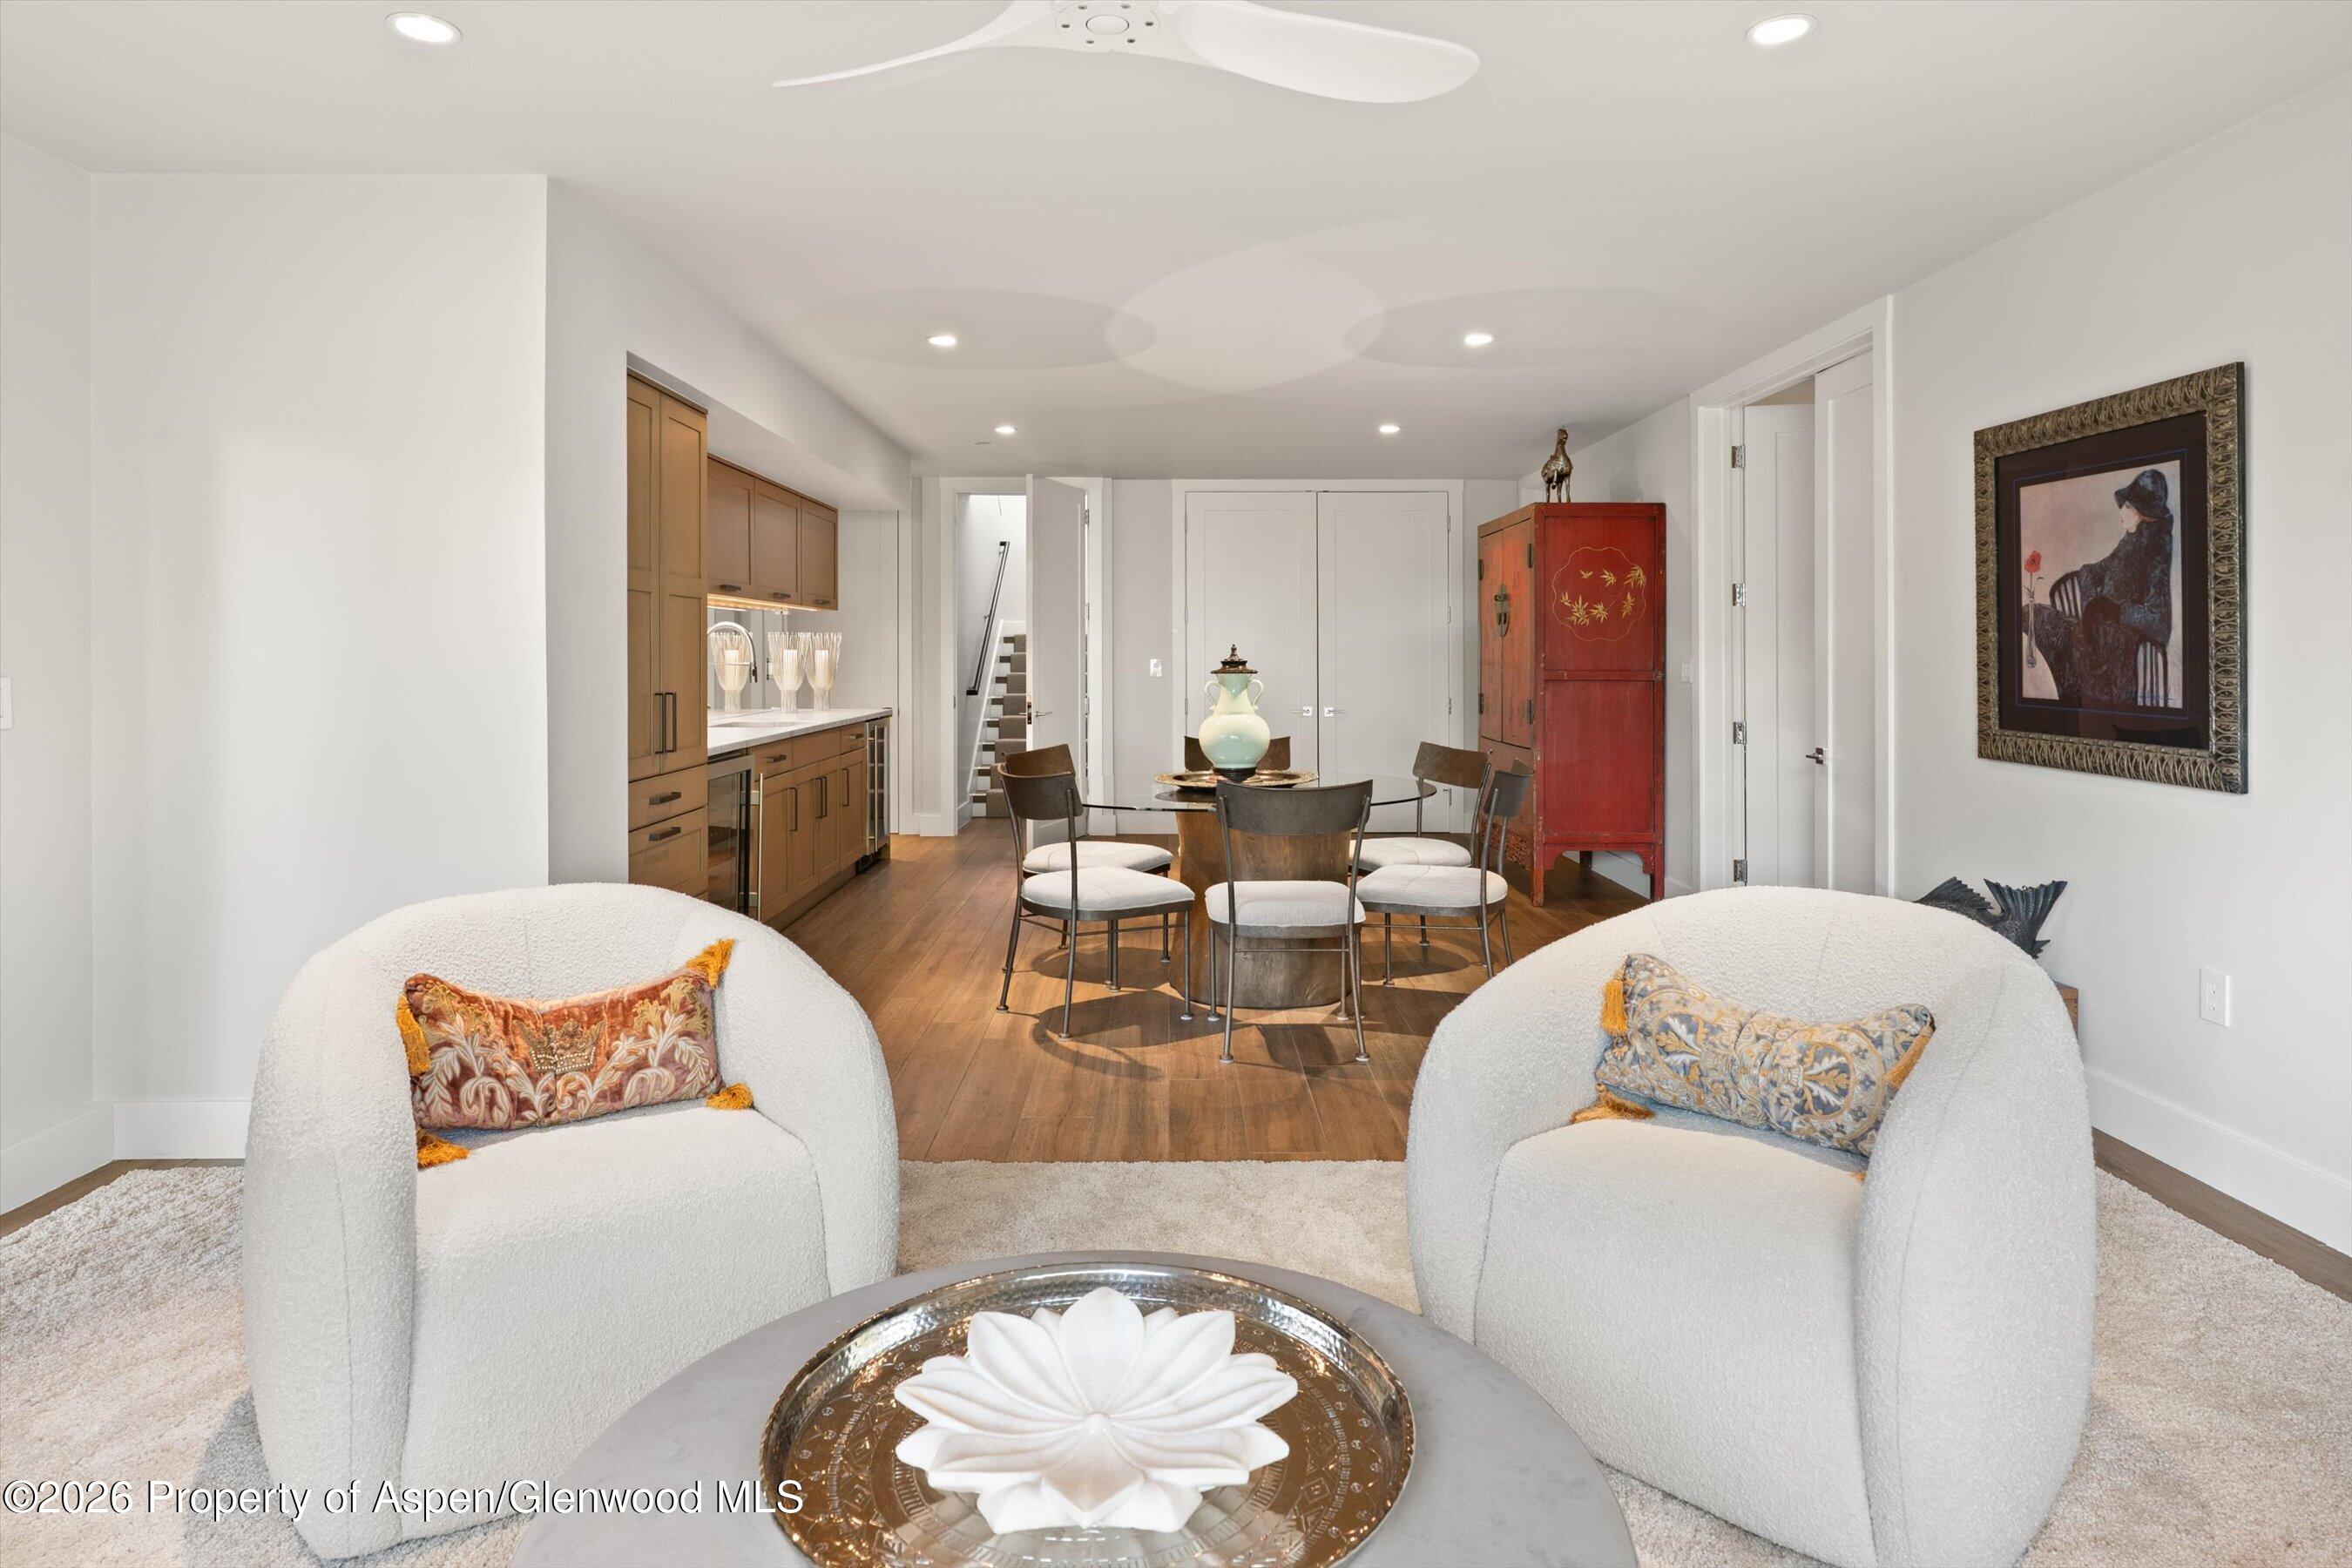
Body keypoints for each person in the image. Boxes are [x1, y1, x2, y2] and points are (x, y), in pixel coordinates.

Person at [2028, 468, 2174, 709]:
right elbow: (2093, 570)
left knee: (2048, 628)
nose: (2121, 511)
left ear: (2143, 514)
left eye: (2128, 506)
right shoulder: (2131, 540)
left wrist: (2113, 611)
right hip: (2098, 631)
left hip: (2116, 641)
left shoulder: (2154, 551)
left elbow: (2159, 623)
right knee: (2034, 615)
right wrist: (2091, 608)